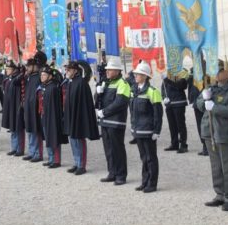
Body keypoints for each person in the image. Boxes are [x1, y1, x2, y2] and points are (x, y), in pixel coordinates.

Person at [195, 60, 228, 211]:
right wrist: (204, 99)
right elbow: (198, 105)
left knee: (227, 166)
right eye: (214, 71)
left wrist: (215, 107)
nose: (215, 74)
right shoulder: (211, 88)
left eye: (219, 71)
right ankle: (220, 194)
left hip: (225, 133)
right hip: (210, 131)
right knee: (216, 166)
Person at [95, 56, 130, 184]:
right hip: (105, 121)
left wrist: (104, 112)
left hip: (116, 122)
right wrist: (98, 92)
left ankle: (121, 175)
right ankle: (112, 172)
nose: (107, 72)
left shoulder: (123, 84)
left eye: (110, 70)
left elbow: (120, 103)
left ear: (117, 71)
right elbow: (98, 102)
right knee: (108, 149)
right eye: (107, 70)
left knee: (117, 149)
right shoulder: (106, 83)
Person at [129, 62, 163, 193]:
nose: (135, 75)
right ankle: (145, 181)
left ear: (145, 76)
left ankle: (152, 183)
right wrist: (133, 127)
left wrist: (157, 131)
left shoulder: (152, 92)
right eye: (136, 74)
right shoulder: (134, 90)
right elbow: (132, 111)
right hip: (138, 129)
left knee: (150, 157)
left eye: (138, 74)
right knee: (143, 157)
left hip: (148, 130)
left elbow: (158, 113)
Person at [62, 61, 100, 175]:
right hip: (71, 115)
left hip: (79, 116)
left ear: (75, 70)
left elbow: (84, 103)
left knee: (78, 140)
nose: (67, 72)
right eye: (66, 70)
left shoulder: (81, 83)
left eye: (69, 70)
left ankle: (81, 165)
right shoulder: (71, 82)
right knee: (72, 139)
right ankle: (76, 162)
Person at [40, 65, 67, 168]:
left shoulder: (53, 88)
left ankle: (56, 160)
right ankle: (50, 158)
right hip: (45, 117)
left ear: (50, 76)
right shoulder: (45, 86)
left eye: (44, 75)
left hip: (52, 118)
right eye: (41, 75)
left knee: (54, 138)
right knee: (48, 138)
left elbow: (56, 106)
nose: (42, 77)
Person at [161, 70, 189, 153]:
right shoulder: (168, 72)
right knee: (172, 125)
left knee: (180, 125)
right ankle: (174, 143)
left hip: (179, 102)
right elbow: (164, 86)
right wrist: (164, 97)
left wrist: (167, 80)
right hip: (169, 103)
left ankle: (183, 145)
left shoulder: (182, 71)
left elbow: (181, 86)